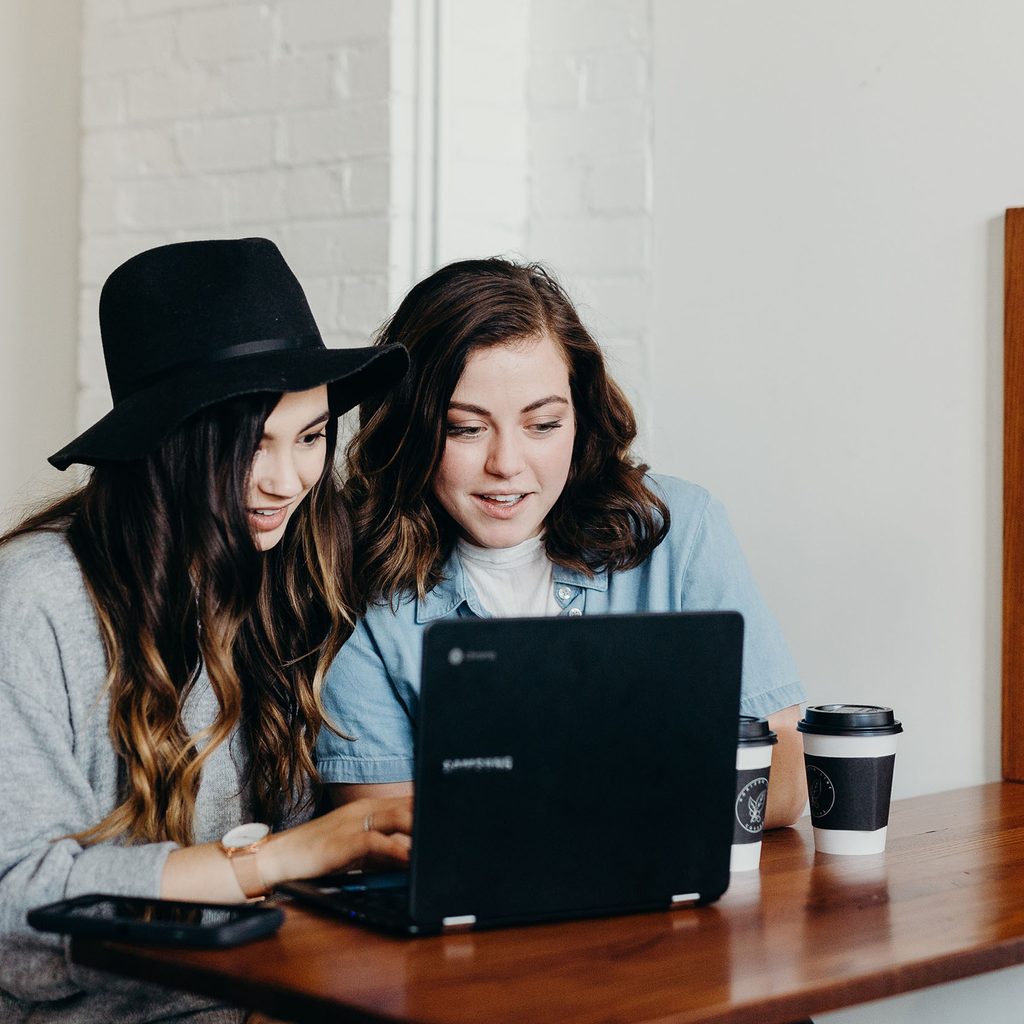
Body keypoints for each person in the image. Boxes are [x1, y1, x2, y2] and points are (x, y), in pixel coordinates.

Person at [0, 238, 412, 1023]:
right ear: (167, 441)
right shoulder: (36, 599)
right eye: (251, 442)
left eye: (312, 437)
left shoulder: (298, 571)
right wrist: (280, 857)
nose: (286, 481)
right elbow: (15, 913)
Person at [315, 257, 808, 829]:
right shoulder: (353, 574)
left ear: (581, 416)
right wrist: (647, 780)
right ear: (410, 429)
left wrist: (528, 802)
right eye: (465, 428)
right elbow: (381, 828)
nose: (506, 464)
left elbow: (783, 782)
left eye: (543, 424)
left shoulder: (679, 529)